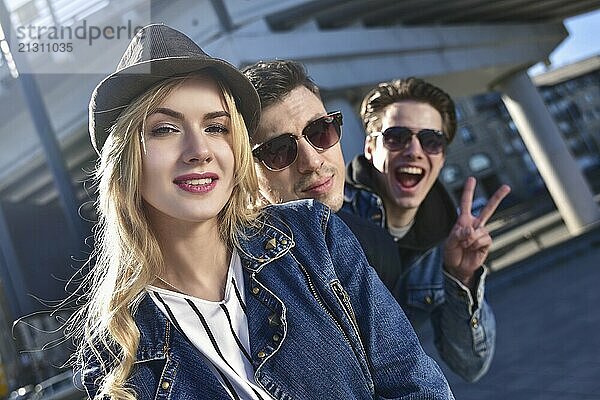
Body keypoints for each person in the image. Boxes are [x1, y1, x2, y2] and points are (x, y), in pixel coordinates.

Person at [67, 24, 454, 399]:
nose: (199, 150)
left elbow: (416, 386)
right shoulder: (115, 349)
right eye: (165, 129)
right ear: (127, 163)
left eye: (216, 127)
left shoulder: (313, 237)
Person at [243, 60, 510, 382]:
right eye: (277, 151)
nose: (312, 161)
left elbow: (468, 364)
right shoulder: (329, 226)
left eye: (320, 132)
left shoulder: (443, 241)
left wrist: (461, 278)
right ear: (370, 146)